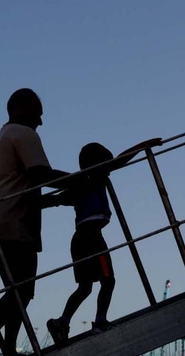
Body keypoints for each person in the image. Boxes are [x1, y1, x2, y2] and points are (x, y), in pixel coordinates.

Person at [0, 88, 69, 356]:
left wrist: (57, 201)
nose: (41, 122)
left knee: (18, 292)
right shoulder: (24, 134)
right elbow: (40, 175)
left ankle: (6, 350)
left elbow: (22, 188)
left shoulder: (3, 138)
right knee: (21, 292)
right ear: (22, 109)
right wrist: (82, 180)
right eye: (38, 114)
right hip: (13, 225)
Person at [43, 138, 160, 344]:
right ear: (95, 164)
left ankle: (62, 321)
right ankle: (99, 321)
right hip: (93, 238)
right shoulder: (93, 178)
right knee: (108, 280)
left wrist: (26, 203)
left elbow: (56, 200)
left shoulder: (79, 185)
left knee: (85, 287)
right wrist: (143, 145)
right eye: (105, 166)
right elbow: (120, 160)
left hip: (80, 239)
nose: (108, 172)